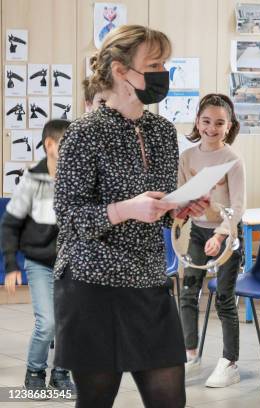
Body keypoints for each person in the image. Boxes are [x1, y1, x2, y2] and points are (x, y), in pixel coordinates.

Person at [53, 25, 207, 408]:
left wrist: (179, 208)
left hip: (148, 279)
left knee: (170, 398)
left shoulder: (162, 132)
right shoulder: (84, 133)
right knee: (96, 398)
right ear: (121, 71)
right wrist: (126, 209)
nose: (162, 73)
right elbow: (69, 218)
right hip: (92, 283)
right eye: (153, 64)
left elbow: (156, 211)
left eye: (164, 64)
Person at [1, 119, 76, 400]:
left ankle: (61, 374)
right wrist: (11, 266)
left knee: (69, 322)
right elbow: (10, 224)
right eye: (68, 144)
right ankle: (34, 372)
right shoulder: (32, 180)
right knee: (47, 324)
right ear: (50, 146)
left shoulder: (77, 178)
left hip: (71, 263)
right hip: (40, 262)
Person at [178, 93, 246, 387]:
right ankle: (190, 356)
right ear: (197, 121)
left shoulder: (233, 160)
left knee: (224, 299)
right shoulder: (187, 158)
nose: (212, 128)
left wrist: (221, 235)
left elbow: (239, 207)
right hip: (196, 232)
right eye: (206, 121)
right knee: (188, 292)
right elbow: (180, 201)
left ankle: (230, 362)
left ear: (229, 126)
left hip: (226, 235)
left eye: (219, 123)